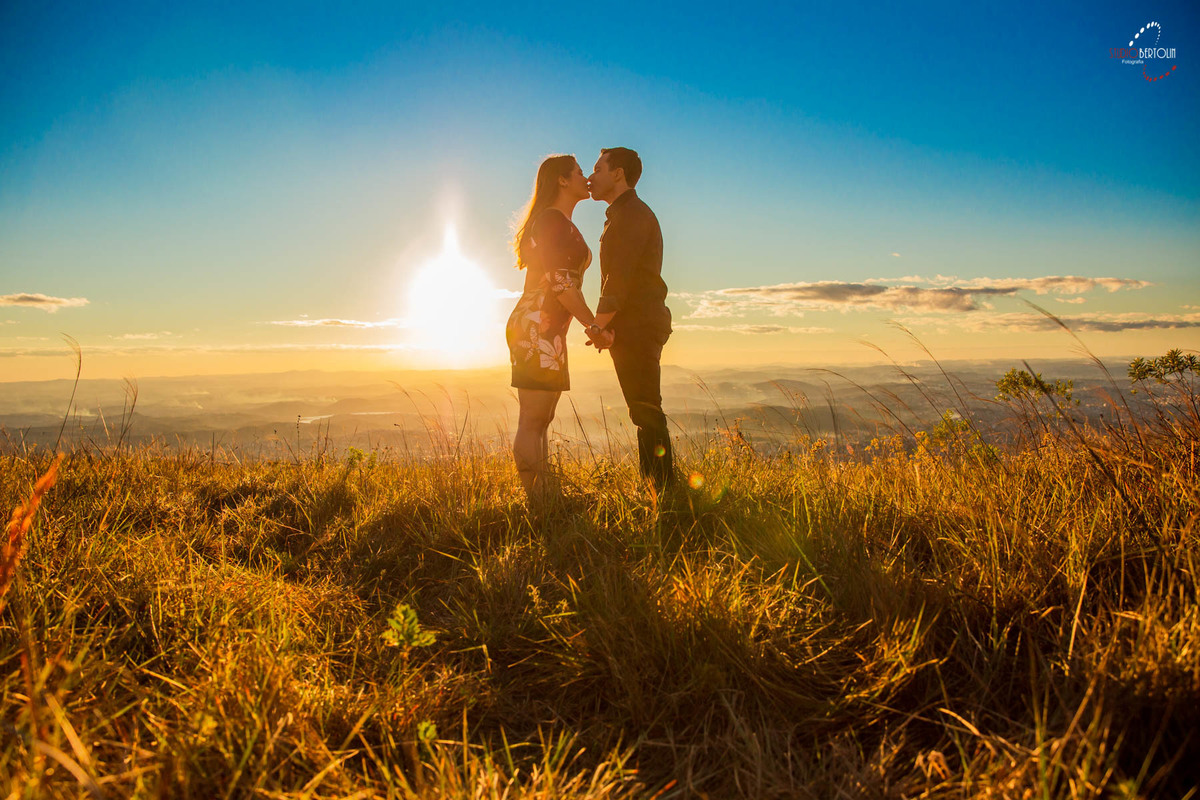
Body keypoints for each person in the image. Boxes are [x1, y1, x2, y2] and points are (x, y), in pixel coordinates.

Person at [506, 155, 609, 502]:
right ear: (563, 181)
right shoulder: (551, 220)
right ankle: (537, 503)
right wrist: (593, 324)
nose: (587, 178)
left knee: (542, 419)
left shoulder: (558, 221)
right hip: (536, 327)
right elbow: (562, 283)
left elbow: (565, 284)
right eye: (580, 172)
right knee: (532, 420)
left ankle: (546, 498)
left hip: (547, 328)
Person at [585, 147, 676, 489]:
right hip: (636, 322)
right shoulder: (623, 214)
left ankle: (664, 492)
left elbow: (617, 280)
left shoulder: (630, 216)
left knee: (646, 410)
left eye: (597, 168)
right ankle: (657, 487)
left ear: (618, 173)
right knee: (643, 409)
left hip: (638, 323)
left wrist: (598, 324)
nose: (591, 177)